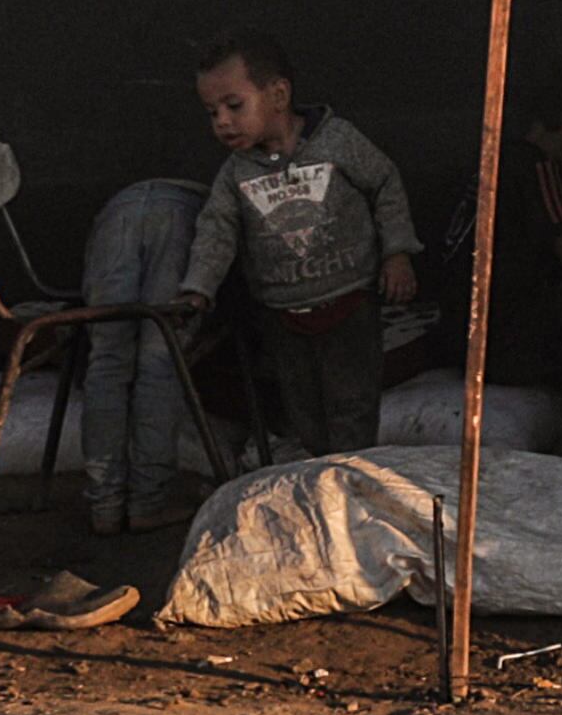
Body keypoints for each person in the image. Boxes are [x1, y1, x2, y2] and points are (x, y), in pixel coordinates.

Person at [168, 31, 422, 459]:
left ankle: (350, 492)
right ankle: (323, 490)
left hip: (349, 303)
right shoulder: (235, 174)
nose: (222, 123)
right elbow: (217, 231)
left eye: (234, 106)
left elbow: (385, 184)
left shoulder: (337, 141)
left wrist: (398, 252)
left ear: (279, 94)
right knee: (304, 414)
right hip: (283, 316)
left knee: (352, 408)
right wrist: (198, 289)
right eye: (212, 113)